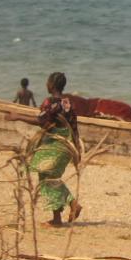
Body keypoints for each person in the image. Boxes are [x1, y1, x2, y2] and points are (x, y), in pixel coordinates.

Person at [17, 72, 82, 228]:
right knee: (51, 178)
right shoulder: (67, 103)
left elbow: (41, 121)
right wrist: (77, 148)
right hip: (66, 145)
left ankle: (71, 205)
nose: (46, 84)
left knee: (46, 179)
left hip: (53, 145)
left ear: (51, 84)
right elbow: (74, 127)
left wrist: (17, 116)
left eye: (47, 82)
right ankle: (59, 216)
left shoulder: (49, 102)